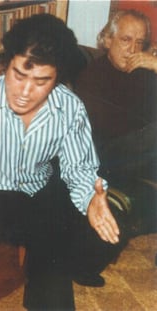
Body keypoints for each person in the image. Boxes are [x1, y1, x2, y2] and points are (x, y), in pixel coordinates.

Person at [0, 13, 127, 310]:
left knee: (105, 228)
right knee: (50, 233)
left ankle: (60, 271)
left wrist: (91, 198)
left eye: (41, 81)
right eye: (18, 75)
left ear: (58, 78)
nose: (25, 92)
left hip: (41, 187)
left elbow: (78, 168)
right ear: (6, 64)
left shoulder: (69, 107)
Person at [74, 9, 157, 237]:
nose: (132, 50)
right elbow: (111, 130)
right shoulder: (92, 76)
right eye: (125, 40)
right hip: (108, 156)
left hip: (143, 151)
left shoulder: (145, 72)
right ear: (108, 40)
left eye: (139, 43)